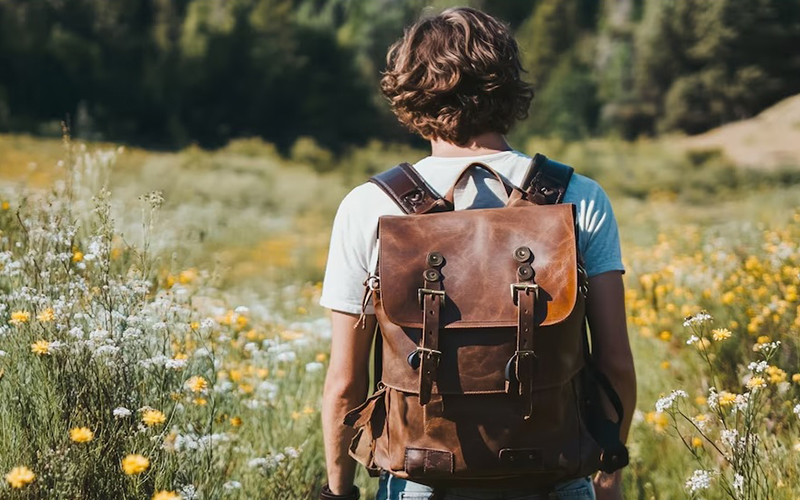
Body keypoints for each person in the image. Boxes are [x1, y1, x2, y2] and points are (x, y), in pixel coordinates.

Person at [319, 7, 636, 500]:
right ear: (507, 84)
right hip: (554, 475)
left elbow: (345, 382)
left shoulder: (370, 206)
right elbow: (615, 362)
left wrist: (338, 491)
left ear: (410, 88)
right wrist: (608, 477)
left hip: (420, 476)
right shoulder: (579, 197)